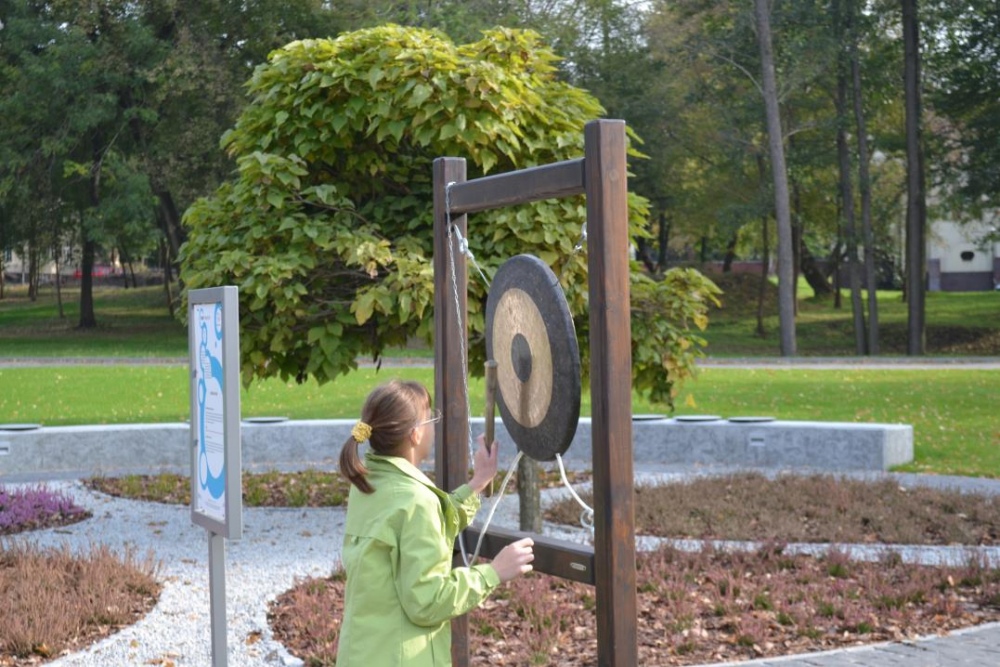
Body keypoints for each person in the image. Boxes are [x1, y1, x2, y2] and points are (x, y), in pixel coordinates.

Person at [336, 379, 535, 666]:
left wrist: (477, 484)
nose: (433, 427)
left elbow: (422, 522)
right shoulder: (416, 501)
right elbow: (427, 601)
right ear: (415, 434)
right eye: (431, 419)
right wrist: (493, 573)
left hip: (362, 654)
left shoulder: (368, 484)